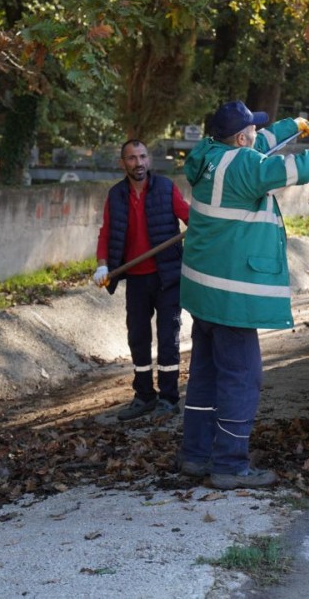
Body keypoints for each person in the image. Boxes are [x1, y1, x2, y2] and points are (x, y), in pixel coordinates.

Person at [177, 100, 309, 489]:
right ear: (240, 138)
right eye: (253, 131)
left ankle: (196, 454)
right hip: (232, 297)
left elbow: (259, 148)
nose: (258, 135)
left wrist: (291, 125)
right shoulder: (245, 167)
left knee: (206, 377)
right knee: (243, 378)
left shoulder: (209, 154)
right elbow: (290, 168)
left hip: (203, 293)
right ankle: (229, 465)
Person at [93, 140, 190, 420]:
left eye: (143, 156)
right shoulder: (116, 195)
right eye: (132, 158)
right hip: (135, 278)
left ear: (149, 160)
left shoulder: (165, 188)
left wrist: (202, 225)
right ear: (122, 163)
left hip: (167, 276)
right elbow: (107, 232)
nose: (139, 163)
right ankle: (145, 395)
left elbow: (186, 216)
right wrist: (102, 265)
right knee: (138, 337)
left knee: (168, 337)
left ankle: (169, 399)